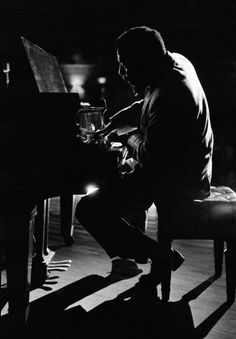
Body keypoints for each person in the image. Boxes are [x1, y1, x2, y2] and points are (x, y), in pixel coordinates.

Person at [75, 26, 214, 296]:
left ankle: (158, 255)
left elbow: (152, 155)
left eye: (126, 66)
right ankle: (138, 256)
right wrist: (120, 118)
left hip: (178, 180)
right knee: (118, 177)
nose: (121, 73)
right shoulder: (175, 62)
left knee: (89, 209)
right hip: (187, 167)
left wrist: (127, 140)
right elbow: (150, 100)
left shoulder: (171, 98)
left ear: (146, 63)